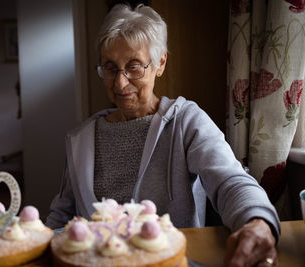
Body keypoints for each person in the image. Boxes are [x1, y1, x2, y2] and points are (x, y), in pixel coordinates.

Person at [46, 4, 280, 267]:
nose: (120, 83)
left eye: (134, 67)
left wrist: (257, 221)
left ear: (160, 63)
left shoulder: (186, 121)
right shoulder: (81, 139)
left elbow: (230, 180)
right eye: (110, 68)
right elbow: (62, 215)